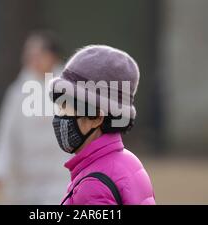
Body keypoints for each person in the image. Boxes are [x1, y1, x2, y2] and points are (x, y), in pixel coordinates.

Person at [50, 45, 156, 205]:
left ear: (97, 117)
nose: (59, 117)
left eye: (65, 108)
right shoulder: (128, 162)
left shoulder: (93, 186)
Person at [0, 31, 69, 204]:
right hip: (24, 182)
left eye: (39, 55)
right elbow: (5, 132)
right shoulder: (17, 92)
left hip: (59, 179)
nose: (34, 60)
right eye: (30, 55)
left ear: (52, 56)